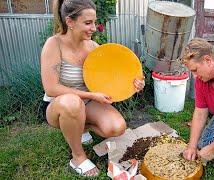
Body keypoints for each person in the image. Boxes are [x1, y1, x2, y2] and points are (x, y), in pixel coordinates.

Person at [40, 0, 145, 177]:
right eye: (88, 23)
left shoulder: (94, 48)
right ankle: (78, 157)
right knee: (73, 103)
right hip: (59, 105)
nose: (94, 28)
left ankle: (77, 128)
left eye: (94, 22)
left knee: (117, 128)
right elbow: (51, 88)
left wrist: (134, 83)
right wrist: (91, 95)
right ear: (70, 22)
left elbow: (113, 76)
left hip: (87, 103)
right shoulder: (54, 44)